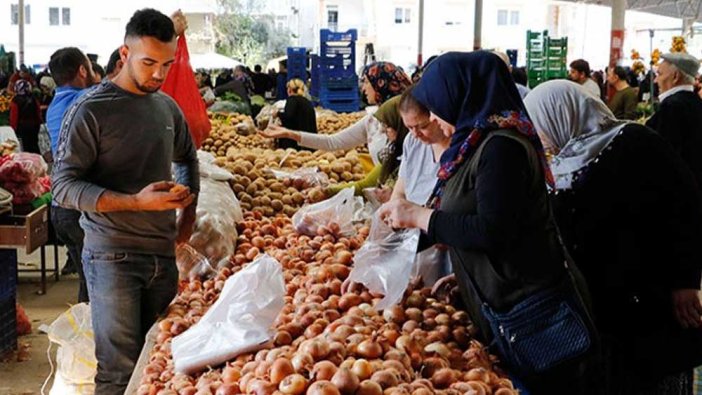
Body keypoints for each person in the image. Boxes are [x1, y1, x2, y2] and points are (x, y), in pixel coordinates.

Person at [377, 52, 596, 393]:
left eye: (436, 109)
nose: (434, 119)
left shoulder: (501, 147)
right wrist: (465, 271)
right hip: (508, 302)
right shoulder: (473, 145)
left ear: (461, 96)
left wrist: (419, 216)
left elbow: (493, 231)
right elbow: (472, 221)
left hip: (534, 310)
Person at [52, 9, 198, 394]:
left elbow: (187, 156)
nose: (158, 74)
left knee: (157, 364)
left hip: (162, 258)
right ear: (124, 53)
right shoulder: (90, 109)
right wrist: (135, 201)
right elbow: (63, 188)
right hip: (111, 257)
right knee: (118, 372)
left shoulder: (166, 108)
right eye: (148, 62)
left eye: (166, 64)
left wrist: (187, 219)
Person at [525, 79, 702, 394]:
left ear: (562, 113)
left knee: (655, 372)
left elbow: (685, 205)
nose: (541, 137)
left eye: (540, 125)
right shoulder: (562, 161)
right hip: (603, 299)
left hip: (648, 288)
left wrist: (685, 281)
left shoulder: (635, 143)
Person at [261, 61, 412, 165]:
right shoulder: (373, 121)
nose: (363, 88)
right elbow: (332, 142)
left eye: (366, 82)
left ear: (381, 84)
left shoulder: (410, 124)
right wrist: (289, 134)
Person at [46, 46, 99, 302]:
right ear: (82, 70)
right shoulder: (84, 99)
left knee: (87, 279)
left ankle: (86, 332)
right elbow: (121, 87)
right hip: (76, 208)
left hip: (60, 208)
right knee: (94, 282)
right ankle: (88, 335)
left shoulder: (56, 104)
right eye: (89, 66)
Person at [326, 95, 409, 197]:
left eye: (388, 125)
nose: (383, 130)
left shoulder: (413, 158)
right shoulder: (392, 153)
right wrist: (327, 192)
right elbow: (365, 185)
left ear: (401, 125)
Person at [646, 52, 702, 189]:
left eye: (659, 74)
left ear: (676, 76)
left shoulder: (672, 107)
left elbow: (661, 158)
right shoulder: (696, 102)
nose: (655, 80)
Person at [274, 78, 316, 150]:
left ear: (289, 90)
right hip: (309, 141)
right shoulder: (307, 102)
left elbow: (288, 118)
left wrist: (278, 114)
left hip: (295, 143)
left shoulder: (292, 100)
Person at [9, 80, 42, 154]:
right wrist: (38, 124)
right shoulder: (33, 98)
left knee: (26, 148)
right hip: (34, 126)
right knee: (34, 145)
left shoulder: (15, 101)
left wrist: (14, 129)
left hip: (23, 127)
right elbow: (38, 113)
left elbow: (14, 117)